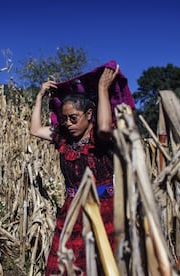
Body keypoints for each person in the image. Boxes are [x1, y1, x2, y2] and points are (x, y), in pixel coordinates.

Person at [30, 65, 120, 275]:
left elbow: (105, 127)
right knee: (64, 265)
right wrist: (40, 96)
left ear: (89, 114)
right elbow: (35, 130)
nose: (68, 123)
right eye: (64, 118)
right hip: (72, 211)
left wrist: (103, 88)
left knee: (105, 264)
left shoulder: (101, 138)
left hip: (104, 208)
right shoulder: (63, 138)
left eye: (74, 118)